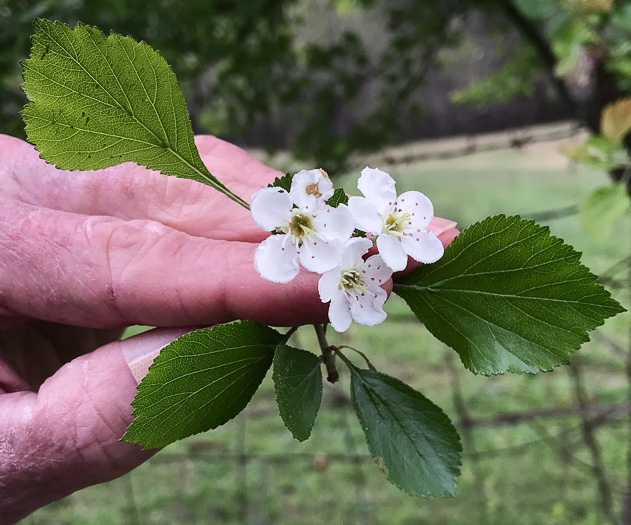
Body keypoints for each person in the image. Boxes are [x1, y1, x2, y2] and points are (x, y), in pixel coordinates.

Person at [0, 134, 458, 523]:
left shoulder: (340, 242)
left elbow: (337, 251)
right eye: (296, 222)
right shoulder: (296, 240)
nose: (298, 224)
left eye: (301, 222)